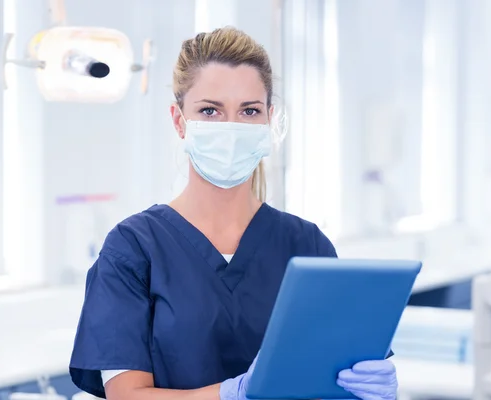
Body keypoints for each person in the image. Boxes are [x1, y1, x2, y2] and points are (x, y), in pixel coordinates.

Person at [69, 26, 398, 400]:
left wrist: (366, 389)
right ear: (179, 121)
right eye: (209, 110)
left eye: (249, 111)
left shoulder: (307, 245)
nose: (230, 127)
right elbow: (127, 396)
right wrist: (229, 394)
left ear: (268, 120)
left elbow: (332, 373)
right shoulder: (134, 249)